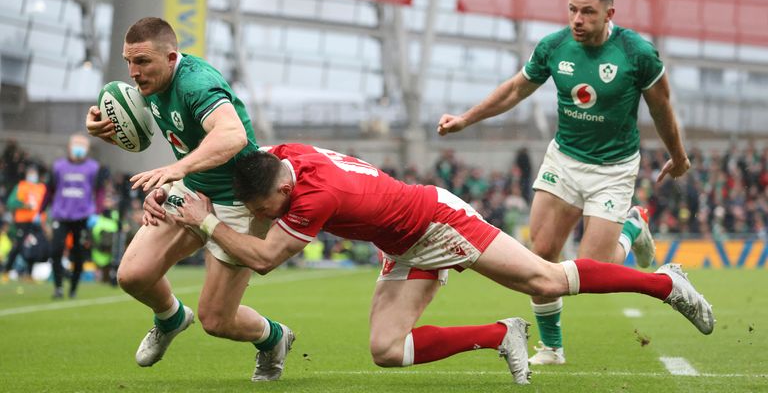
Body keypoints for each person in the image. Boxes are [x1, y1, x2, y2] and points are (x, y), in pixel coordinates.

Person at [172, 144, 713, 386]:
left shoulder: (312, 197)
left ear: (286, 187)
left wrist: (203, 222)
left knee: (547, 277)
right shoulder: (282, 158)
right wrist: (174, 185)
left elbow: (264, 260)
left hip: (436, 220)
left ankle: (664, 282)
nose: (268, 218)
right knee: (386, 351)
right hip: (403, 244)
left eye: (270, 208)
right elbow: (235, 166)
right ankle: (502, 335)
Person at [437, 0, 691, 365]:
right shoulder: (554, 47)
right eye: (572, 9)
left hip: (613, 168)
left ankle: (633, 225)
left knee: (593, 272)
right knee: (541, 256)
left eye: (587, 12)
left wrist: (678, 154)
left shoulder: (637, 52)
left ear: (610, 13)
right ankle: (552, 348)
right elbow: (515, 89)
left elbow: (661, 106)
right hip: (565, 160)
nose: (577, 19)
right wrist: (467, 119)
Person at [84, 17, 293, 381]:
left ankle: (274, 337)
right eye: (128, 62)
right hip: (194, 190)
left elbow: (232, 136)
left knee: (216, 320)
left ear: (170, 57)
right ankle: (171, 317)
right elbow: (138, 133)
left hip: (240, 202)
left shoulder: (197, 83)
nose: (133, 72)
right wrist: (102, 131)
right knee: (133, 275)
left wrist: (176, 171)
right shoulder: (146, 88)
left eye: (143, 62)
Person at [44, 133, 102, 299]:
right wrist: (40, 211)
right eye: (76, 144)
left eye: (82, 145)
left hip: (82, 217)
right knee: (55, 250)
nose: (79, 148)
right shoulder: (58, 167)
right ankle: (58, 287)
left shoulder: (93, 168)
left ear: (88, 149)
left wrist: (96, 213)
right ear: (69, 147)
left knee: (78, 255)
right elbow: (49, 191)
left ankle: (74, 288)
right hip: (61, 216)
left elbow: (99, 192)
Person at [2, 164, 48, 281]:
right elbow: (11, 203)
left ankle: (29, 274)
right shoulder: (21, 186)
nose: (32, 175)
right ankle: (6, 271)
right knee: (18, 246)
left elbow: (45, 205)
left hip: (36, 223)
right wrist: (24, 205)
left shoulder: (42, 188)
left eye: (34, 173)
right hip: (22, 222)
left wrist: (43, 220)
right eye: (30, 173)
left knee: (34, 247)